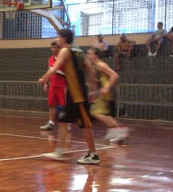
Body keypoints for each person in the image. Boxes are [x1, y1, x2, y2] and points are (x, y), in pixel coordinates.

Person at [38, 28, 99, 165]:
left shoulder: (65, 51)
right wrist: (93, 89)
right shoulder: (79, 52)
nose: (57, 39)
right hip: (74, 93)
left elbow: (54, 68)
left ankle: (94, 155)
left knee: (86, 126)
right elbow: (91, 70)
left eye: (58, 37)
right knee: (64, 120)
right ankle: (60, 151)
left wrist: (44, 79)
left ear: (64, 39)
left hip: (78, 95)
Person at [87, 48, 129, 143]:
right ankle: (118, 131)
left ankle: (120, 131)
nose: (88, 56)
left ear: (96, 55)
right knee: (101, 113)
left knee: (97, 113)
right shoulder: (95, 65)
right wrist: (93, 92)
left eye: (90, 54)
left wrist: (106, 88)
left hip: (106, 92)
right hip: (102, 92)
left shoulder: (101, 65)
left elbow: (114, 75)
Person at [40, 40, 65, 131]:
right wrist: (45, 82)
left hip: (62, 85)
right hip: (53, 85)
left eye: (54, 47)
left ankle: (67, 123)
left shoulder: (63, 59)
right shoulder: (50, 58)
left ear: (59, 48)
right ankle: (51, 123)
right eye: (52, 47)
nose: (52, 49)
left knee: (64, 105)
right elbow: (49, 72)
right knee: (51, 104)